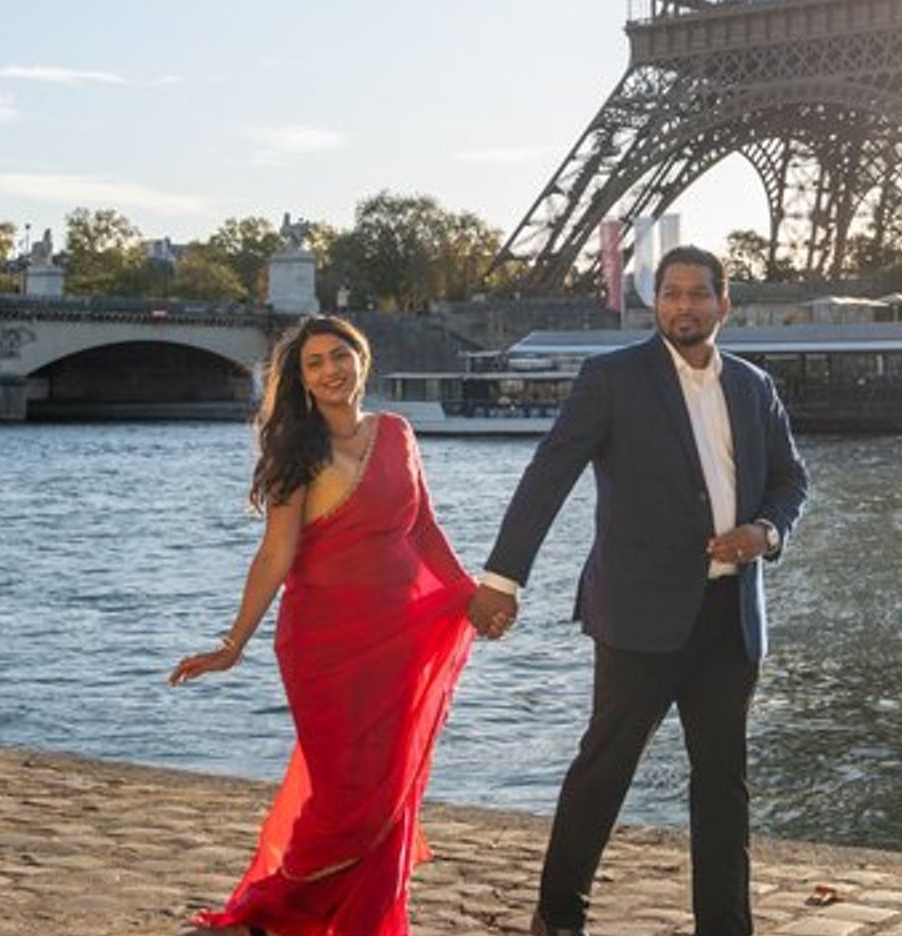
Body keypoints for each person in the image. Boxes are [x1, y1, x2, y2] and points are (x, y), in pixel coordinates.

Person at [469, 245, 810, 936]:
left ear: (724, 303)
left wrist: (766, 532)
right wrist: (502, 579)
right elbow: (549, 475)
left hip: (731, 616)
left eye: (698, 294)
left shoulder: (753, 386)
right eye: (671, 293)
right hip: (636, 614)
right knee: (604, 771)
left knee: (723, 782)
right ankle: (558, 916)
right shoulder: (613, 378)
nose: (684, 306)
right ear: (656, 303)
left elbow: (790, 480)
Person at [169, 315, 476, 936]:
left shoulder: (396, 431)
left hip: (397, 638)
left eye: (340, 355)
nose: (331, 370)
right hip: (323, 646)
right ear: (302, 381)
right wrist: (234, 643)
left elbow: (422, 528)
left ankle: (362, 919)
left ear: (362, 358)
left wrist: (470, 596)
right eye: (315, 363)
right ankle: (278, 911)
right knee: (344, 794)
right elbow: (275, 555)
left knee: (387, 787)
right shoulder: (297, 454)